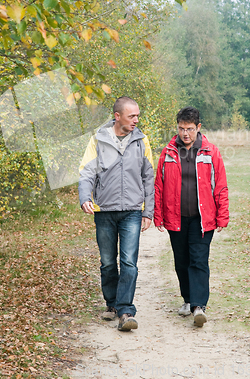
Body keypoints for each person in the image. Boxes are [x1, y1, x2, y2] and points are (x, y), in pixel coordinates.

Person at [78, 96, 154, 331]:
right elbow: (86, 173)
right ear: (117, 116)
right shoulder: (97, 140)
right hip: (105, 211)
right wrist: (84, 198)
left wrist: (148, 211)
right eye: (132, 116)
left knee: (129, 262)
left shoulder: (141, 141)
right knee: (108, 263)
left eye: (138, 116)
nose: (136, 120)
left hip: (132, 210)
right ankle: (111, 303)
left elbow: (148, 178)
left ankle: (125, 310)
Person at [154, 106, 229, 327]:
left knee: (198, 260)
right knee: (181, 262)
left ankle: (199, 306)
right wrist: (158, 214)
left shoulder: (210, 151)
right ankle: (187, 300)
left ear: (198, 127)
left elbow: (220, 186)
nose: (185, 133)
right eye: (181, 128)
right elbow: (159, 185)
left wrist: (222, 215)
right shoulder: (168, 152)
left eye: (189, 129)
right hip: (175, 218)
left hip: (202, 219)